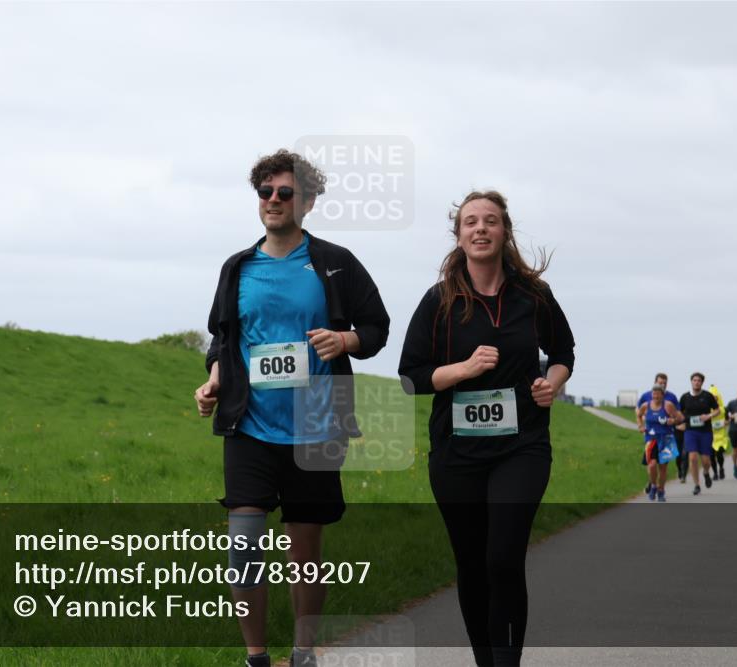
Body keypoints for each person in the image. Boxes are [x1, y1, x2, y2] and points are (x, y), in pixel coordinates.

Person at [195, 149, 390, 667]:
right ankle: (256, 657)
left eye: (286, 193)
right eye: (266, 192)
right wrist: (214, 380)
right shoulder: (237, 268)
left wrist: (344, 340)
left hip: (315, 423)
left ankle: (304, 654)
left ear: (307, 201)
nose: (274, 201)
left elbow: (376, 329)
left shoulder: (335, 262)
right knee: (243, 548)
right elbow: (222, 340)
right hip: (250, 426)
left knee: (304, 555)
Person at [399, 190, 574, 667]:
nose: (480, 228)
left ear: (505, 232)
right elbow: (411, 378)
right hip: (457, 453)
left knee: (503, 558)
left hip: (522, 446)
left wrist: (551, 384)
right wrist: (462, 370)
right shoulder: (439, 302)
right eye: (470, 221)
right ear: (459, 236)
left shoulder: (533, 296)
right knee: (473, 565)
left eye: (490, 221)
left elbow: (563, 354)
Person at [635, 373, 682, 488]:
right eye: (660, 382)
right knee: (651, 463)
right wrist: (641, 425)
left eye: (664, 383)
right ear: (655, 382)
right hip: (651, 436)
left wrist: (673, 421)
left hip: (666, 436)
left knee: (662, 466)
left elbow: (679, 415)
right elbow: (638, 410)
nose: (662, 385)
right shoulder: (646, 396)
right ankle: (652, 482)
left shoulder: (671, 398)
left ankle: (660, 489)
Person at [678, 372, 720, 495]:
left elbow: (717, 410)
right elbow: (679, 413)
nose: (696, 382)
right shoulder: (685, 397)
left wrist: (709, 416)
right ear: (691, 382)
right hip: (690, 431)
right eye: (694, 380)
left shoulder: (708, 396)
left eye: (699, 380)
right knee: (692, 457)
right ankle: (696, 485)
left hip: (705, 432)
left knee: (706, 461)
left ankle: (706, 473)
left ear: (702, 383)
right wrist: (680, 422)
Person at [707, 383, 729, 481]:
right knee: (711, 456)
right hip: (710, 435)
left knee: (719, 455)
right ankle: (715, 473)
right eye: (712, 397)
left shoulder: (724, 409)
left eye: (715, 397)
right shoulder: (706, 409)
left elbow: (728, 420)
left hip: (721, 436)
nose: (714, 399)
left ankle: (721, 468)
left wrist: (725, 423)